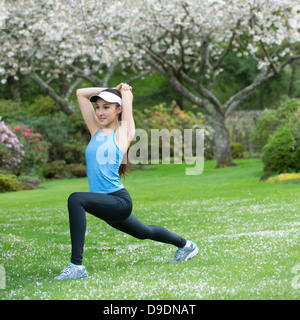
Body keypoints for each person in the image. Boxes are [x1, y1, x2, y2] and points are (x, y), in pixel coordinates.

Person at [54, 83, 199, 280]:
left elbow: (127, 97)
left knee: (76, 199)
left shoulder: (123, 134)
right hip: (104, 204)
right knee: (143, 232)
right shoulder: (96, 131)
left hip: (118, 202)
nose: (100, 112)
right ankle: (186, 245)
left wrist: (124, 92)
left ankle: (76, 266)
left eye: (107, 107)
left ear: (119, 109)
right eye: (98, 107)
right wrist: (110, 88)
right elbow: (80, 93)